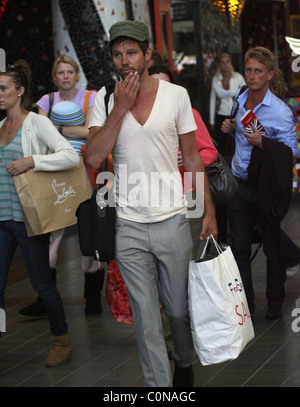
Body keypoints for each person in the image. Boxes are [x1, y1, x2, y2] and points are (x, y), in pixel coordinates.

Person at [85, 20, 217, 387]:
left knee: (176, 310)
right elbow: (94, 158)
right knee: (145, 316)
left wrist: (207, 210)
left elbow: (191, 158)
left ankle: (183, 358)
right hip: (126, 224)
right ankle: (159, 387)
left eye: (131, 52)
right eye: (117, 54)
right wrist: (118, 109)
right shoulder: (105, 99)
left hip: (173, 219)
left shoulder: (175, 96)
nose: (124, 61)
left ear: (147, 54)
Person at [0, 60, 80, 365]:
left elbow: (70, 156)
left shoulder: (37, 123)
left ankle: (61, 339)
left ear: (19, 91)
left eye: (3, 88)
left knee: (42, 283)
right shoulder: (0, 126)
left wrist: (33, 160)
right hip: (1, 218)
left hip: (27, 219)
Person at [18, 55, 104, 317]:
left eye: (69, 71)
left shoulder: (91, 98)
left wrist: (57, 128)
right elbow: (39, 133)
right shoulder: (48, 100)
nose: (65, 76)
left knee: (88, 233)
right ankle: (46, 298)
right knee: (51, 235)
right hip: (55, 175)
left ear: (76, 75)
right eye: (61, 72)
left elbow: (91, 132)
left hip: (86, 173)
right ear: (54, 77)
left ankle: (92, 299)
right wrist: (73, 129)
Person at [221, 46, 300, 320]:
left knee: (272, 247)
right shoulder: (241, 99)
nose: (252, 76)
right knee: (239, 247)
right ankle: (247, 303)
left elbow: (291, 151)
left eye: (258, 71)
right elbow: (239, 134)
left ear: (269, 75)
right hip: (238, 183)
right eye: (249, 70)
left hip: (265, 186)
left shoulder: (279, 111)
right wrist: (231, 128)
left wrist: (263, 143)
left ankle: (275, 303)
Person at [149, 64, 218, 259]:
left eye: (166, 85)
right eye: (155, 85)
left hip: (187, 194)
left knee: (190, 256)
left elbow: (209, 152)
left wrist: (186, 158)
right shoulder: (141, 119)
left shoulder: (188, 113)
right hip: (155, 197)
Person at [209, 53, 246, 244]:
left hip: (234, 116)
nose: (224, 65)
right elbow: (212, 99)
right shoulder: (216, 80)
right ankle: (224, 174)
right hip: (220, 116)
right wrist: (211, 120)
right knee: (220, 152)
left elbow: (243, 98)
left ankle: (232, 172)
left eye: (227, 62)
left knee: (233, 148)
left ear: (231, 63)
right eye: (222, 62)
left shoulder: (238, 78)